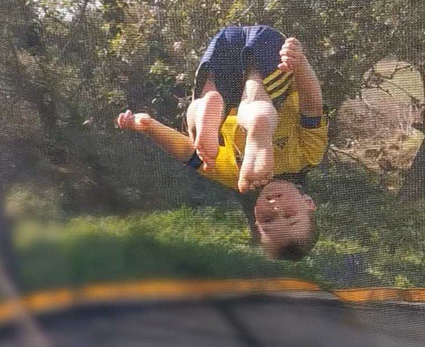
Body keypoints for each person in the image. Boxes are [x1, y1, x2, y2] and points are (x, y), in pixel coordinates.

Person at [117, 25, 327, 260]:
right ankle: (255, 124)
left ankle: (207, 108)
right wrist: (300, 63)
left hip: (227, 49)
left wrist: (149, 127)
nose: (276, 207)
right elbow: (312, 106)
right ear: (308, 203)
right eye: (289, 214)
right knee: (256, 99)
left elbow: (187, 152)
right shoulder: (308, 156)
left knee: (204, 132)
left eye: (268, 219)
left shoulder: (235, 176)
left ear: (256, 218)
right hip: (267, 54)